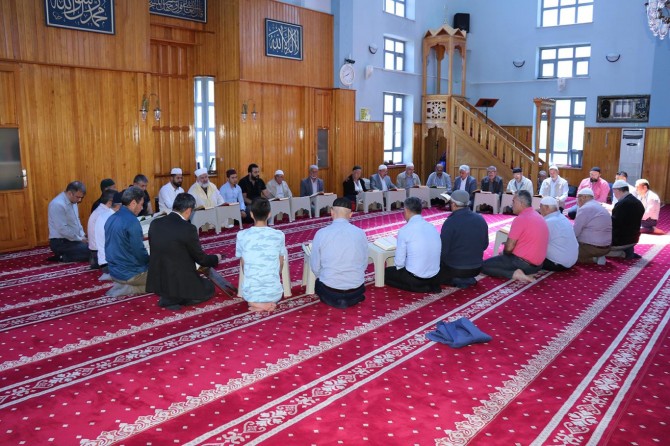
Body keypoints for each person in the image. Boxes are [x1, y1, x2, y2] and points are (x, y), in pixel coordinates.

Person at [147, 193, 223, 311]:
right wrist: (216, 258)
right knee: (209, 287)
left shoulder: (155, 223)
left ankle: (170, 297)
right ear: (188, 210)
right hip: (180, 280)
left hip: (160, 281)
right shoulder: (188, 228)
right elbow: (201, 259)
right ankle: (182, 298)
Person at [310, 197, 368, 308]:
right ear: (350, 214)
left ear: (331, 212)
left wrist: (325, 277)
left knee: (318, 284)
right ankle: (350, 299)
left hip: (331, 291)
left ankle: (338, 301)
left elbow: (315, 267)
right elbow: (364, 264)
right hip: (355, 290)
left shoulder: (321, 233)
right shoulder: (360, 233)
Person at [482, 190, 549, 282]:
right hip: (538, 266)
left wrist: (504, 255)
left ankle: (514, 274)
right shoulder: (539, 216)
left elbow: (508, 248)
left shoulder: (521, 219)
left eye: (513, 201)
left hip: (523, 264)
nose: (511, 204)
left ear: (521, 203)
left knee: (481, 266)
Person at [235, 198, 287, 312]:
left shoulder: (242, 235)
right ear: (269, 214)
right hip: (275, 293)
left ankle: (257, 304)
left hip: (251, 294)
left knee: (248, 295)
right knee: (271, 293)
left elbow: (243, 265)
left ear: (251, 214)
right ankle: (266, 305)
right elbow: (280, 264)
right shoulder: (279, 235)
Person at [384, 197, 441, 293]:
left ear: (406, 210)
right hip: (435, 276)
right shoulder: (431, 226)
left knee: (385, 273)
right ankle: (429, 285)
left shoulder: (405, 230)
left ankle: (420, 287)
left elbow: (399, 263)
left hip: (415, 278)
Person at [438, 190, 489, 288]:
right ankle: (465, 279)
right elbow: (485, 245)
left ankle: (457, 279)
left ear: (453, 204)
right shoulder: (480, 219)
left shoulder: (450, 222)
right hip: (476, 268)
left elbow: (443, 251)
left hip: (455, 269)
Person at [104, 187, 150, 296]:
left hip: (114, 272)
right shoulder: (132, 221)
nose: (142, 208)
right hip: (131, 274)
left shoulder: (111, 218)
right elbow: (139, 253)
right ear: (133, 203)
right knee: (167, 275)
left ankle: (123, 284)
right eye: (141, 204)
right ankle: (130, 288)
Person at [47, 181, 89, 262]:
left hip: (74, 239)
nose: (79, 200)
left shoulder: (73, 201)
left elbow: (77, 221)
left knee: (95, 247)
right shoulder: (57, 204)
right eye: (78, 197)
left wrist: (83, 236)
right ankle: (62, 257)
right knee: (90, 251)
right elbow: (62, 229)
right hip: (61, 242)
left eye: (81, 197)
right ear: (70, 193)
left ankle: (70, 254)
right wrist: (80, 239)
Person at [573, 188, 611, 265]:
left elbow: (575, 232)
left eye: (578, 197)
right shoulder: (599, 206)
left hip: (592, 248)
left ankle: (594, 259)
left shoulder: (585, 208)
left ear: (584, 197)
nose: (577, 201)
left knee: (565, 252)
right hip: (606, 247)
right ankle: (598, 256)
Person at [539, 197, 578, 271]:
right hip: (572, 261)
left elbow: (537, 243)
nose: (540, 210)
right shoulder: (563, 218)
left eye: (540, 207)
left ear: (546, 208)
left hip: (557, 263)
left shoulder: (548, 222)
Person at [608, 180, 644, 259]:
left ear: (618, 190)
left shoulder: (621, 204)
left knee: (598, 250)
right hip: (634, 239)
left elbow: (613, 224)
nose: (614, 194)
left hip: (620, 241)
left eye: (614, 192)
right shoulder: (638, 202)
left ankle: (624, 254)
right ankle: (629, 250)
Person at [94, 191, 123, 275]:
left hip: (105, 262)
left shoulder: (104, 215)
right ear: (119, 206)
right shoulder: (113, 218)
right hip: (111, 264)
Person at [88, 189, 117, 269]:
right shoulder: (105, 214)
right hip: (100, 255)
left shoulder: (100, 210)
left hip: (94, 253)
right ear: (110, 202)